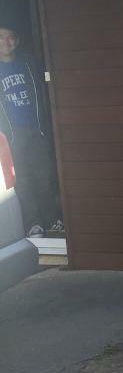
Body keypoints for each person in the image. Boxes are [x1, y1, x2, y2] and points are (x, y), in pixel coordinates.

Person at [0, 25, 61, 236]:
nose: (6, 42)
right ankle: (33, 224)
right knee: (22, 181)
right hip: (11, 136)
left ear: (16, 41)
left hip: (37, 130)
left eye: (10, 38)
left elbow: (46, 88)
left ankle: (53, 220)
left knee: (45, 176)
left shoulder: (29, 63)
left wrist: (46, 124)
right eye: (1, 38)